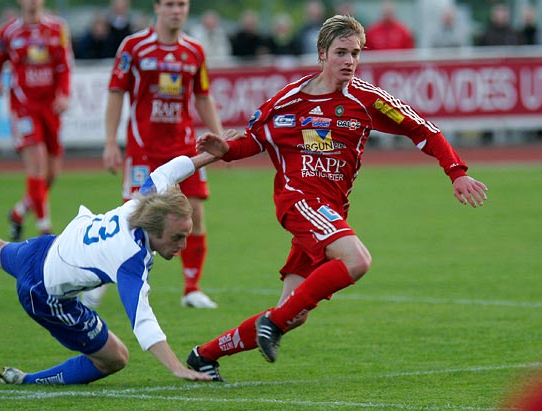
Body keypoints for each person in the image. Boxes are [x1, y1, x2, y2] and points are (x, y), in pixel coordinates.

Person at [183, 15, 488, 381]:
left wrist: (456, 172)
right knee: (357, 259)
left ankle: (204, 355)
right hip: (299, 201)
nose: (349, 61)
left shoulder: (367, 100)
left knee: (293, 313)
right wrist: (226, 150)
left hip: (329, 211)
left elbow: (425, 130)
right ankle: (272, 325)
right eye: (341, 52)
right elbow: (254, 140)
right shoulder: (288, 100)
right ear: (322, 54)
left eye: (355, 53)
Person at [0, 155, 220, 384]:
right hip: (45, 294)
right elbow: (143, 321)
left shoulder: (140, 204)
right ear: (154, 229)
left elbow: (168, 172)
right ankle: (28, 380)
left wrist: (216, 153)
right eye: (177, 237)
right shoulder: (131, 258)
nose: (183, 244)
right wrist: (177, 368)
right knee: (115, 358)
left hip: (43, 250)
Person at [90, 0, 223, 310]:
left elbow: (203, 96)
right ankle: (101, 281)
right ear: (157, 7)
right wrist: (110, 142)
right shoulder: (134, 47)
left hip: (184, 146)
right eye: (169, 4)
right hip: (143, 148)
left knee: (196, 213)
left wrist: (219, 139)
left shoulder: (194, 51)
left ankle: (191, 288)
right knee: (133, 218)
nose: (176, 10)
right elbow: (115, 93)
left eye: (182, 4)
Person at [0, 0, 73, 241]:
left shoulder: (58, 29)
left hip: (51, 108)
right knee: (37, 162)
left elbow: (64, 66)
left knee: (52, 172)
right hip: (23, 106)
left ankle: (19, 211)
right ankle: (45, 230)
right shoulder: (8, 32)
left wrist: (64, 94)